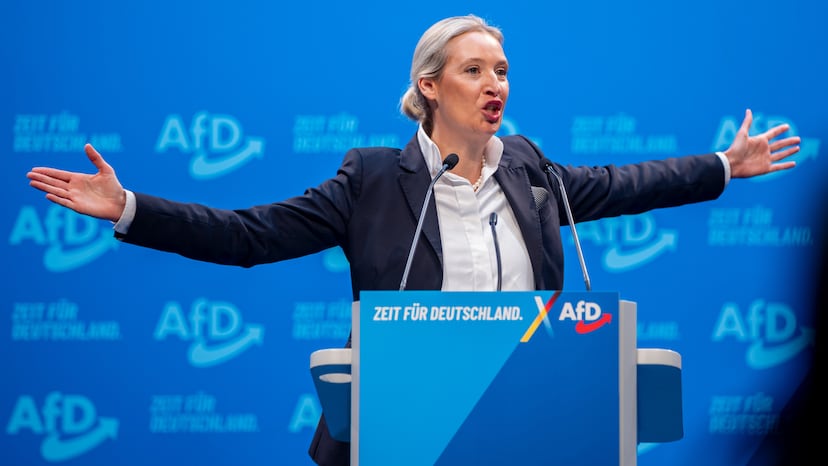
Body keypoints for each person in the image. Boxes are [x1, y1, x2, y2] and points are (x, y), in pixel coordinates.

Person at [26, 14, 799, 466]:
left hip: (530, 430)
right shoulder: (369, 179)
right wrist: (130, 207)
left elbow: (627, 183)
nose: (496, 85)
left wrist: (723, 165)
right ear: (429, 86)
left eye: (502, 71)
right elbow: (248, 235)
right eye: (475, 70)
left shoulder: (532, 171)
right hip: (397, 437)